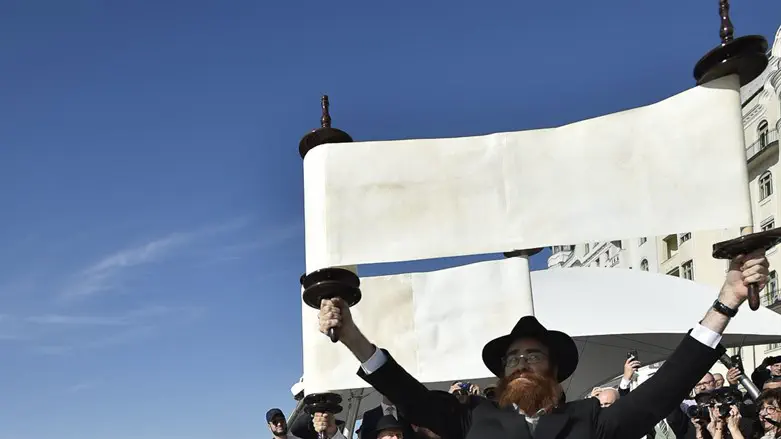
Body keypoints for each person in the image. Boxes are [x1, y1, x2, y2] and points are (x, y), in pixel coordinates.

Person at [317, 252, 769, 439]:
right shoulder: (471, 418)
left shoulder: (588, 421)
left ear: (554, 368)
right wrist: (354, 336)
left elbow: (665, 389)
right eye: (513, 357)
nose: (521, 363)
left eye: (532, 355)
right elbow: (408, 394)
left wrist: (726, 301)